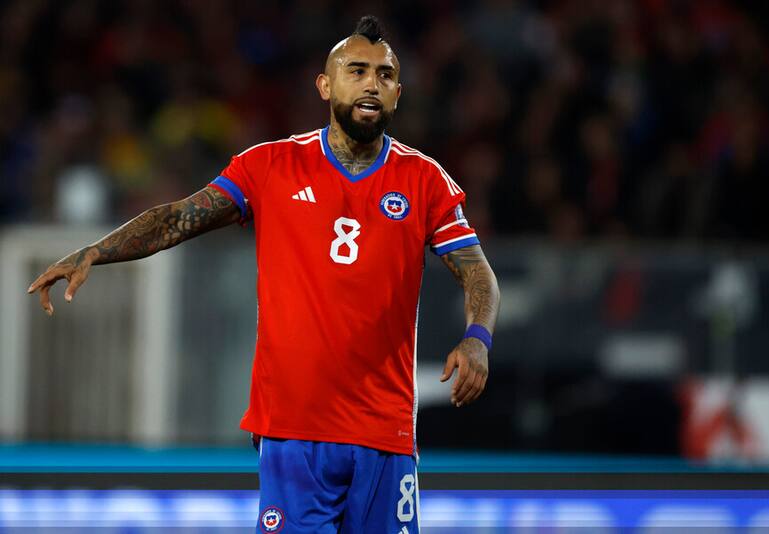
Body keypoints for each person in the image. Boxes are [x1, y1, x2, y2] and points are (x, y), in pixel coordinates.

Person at [28, 15, 500, 534]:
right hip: (294, 431)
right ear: (325, 85)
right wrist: (99, 249)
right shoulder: (269, 167)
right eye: (357, 70)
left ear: (398, 94)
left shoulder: (424, 180)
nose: (372, 83)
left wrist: (477, 337)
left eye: (385, 75)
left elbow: (477, 273)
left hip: (384, 430)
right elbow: (180, 217)